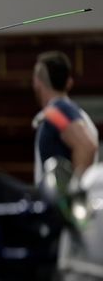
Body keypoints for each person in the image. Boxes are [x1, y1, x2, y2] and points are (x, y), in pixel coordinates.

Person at [32, 50, 98, 184]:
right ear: (68, 82)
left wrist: (72, 194)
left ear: (37, 82)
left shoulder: (57, 112)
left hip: (59, 201)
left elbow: (86, 146)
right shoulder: (77, 114)